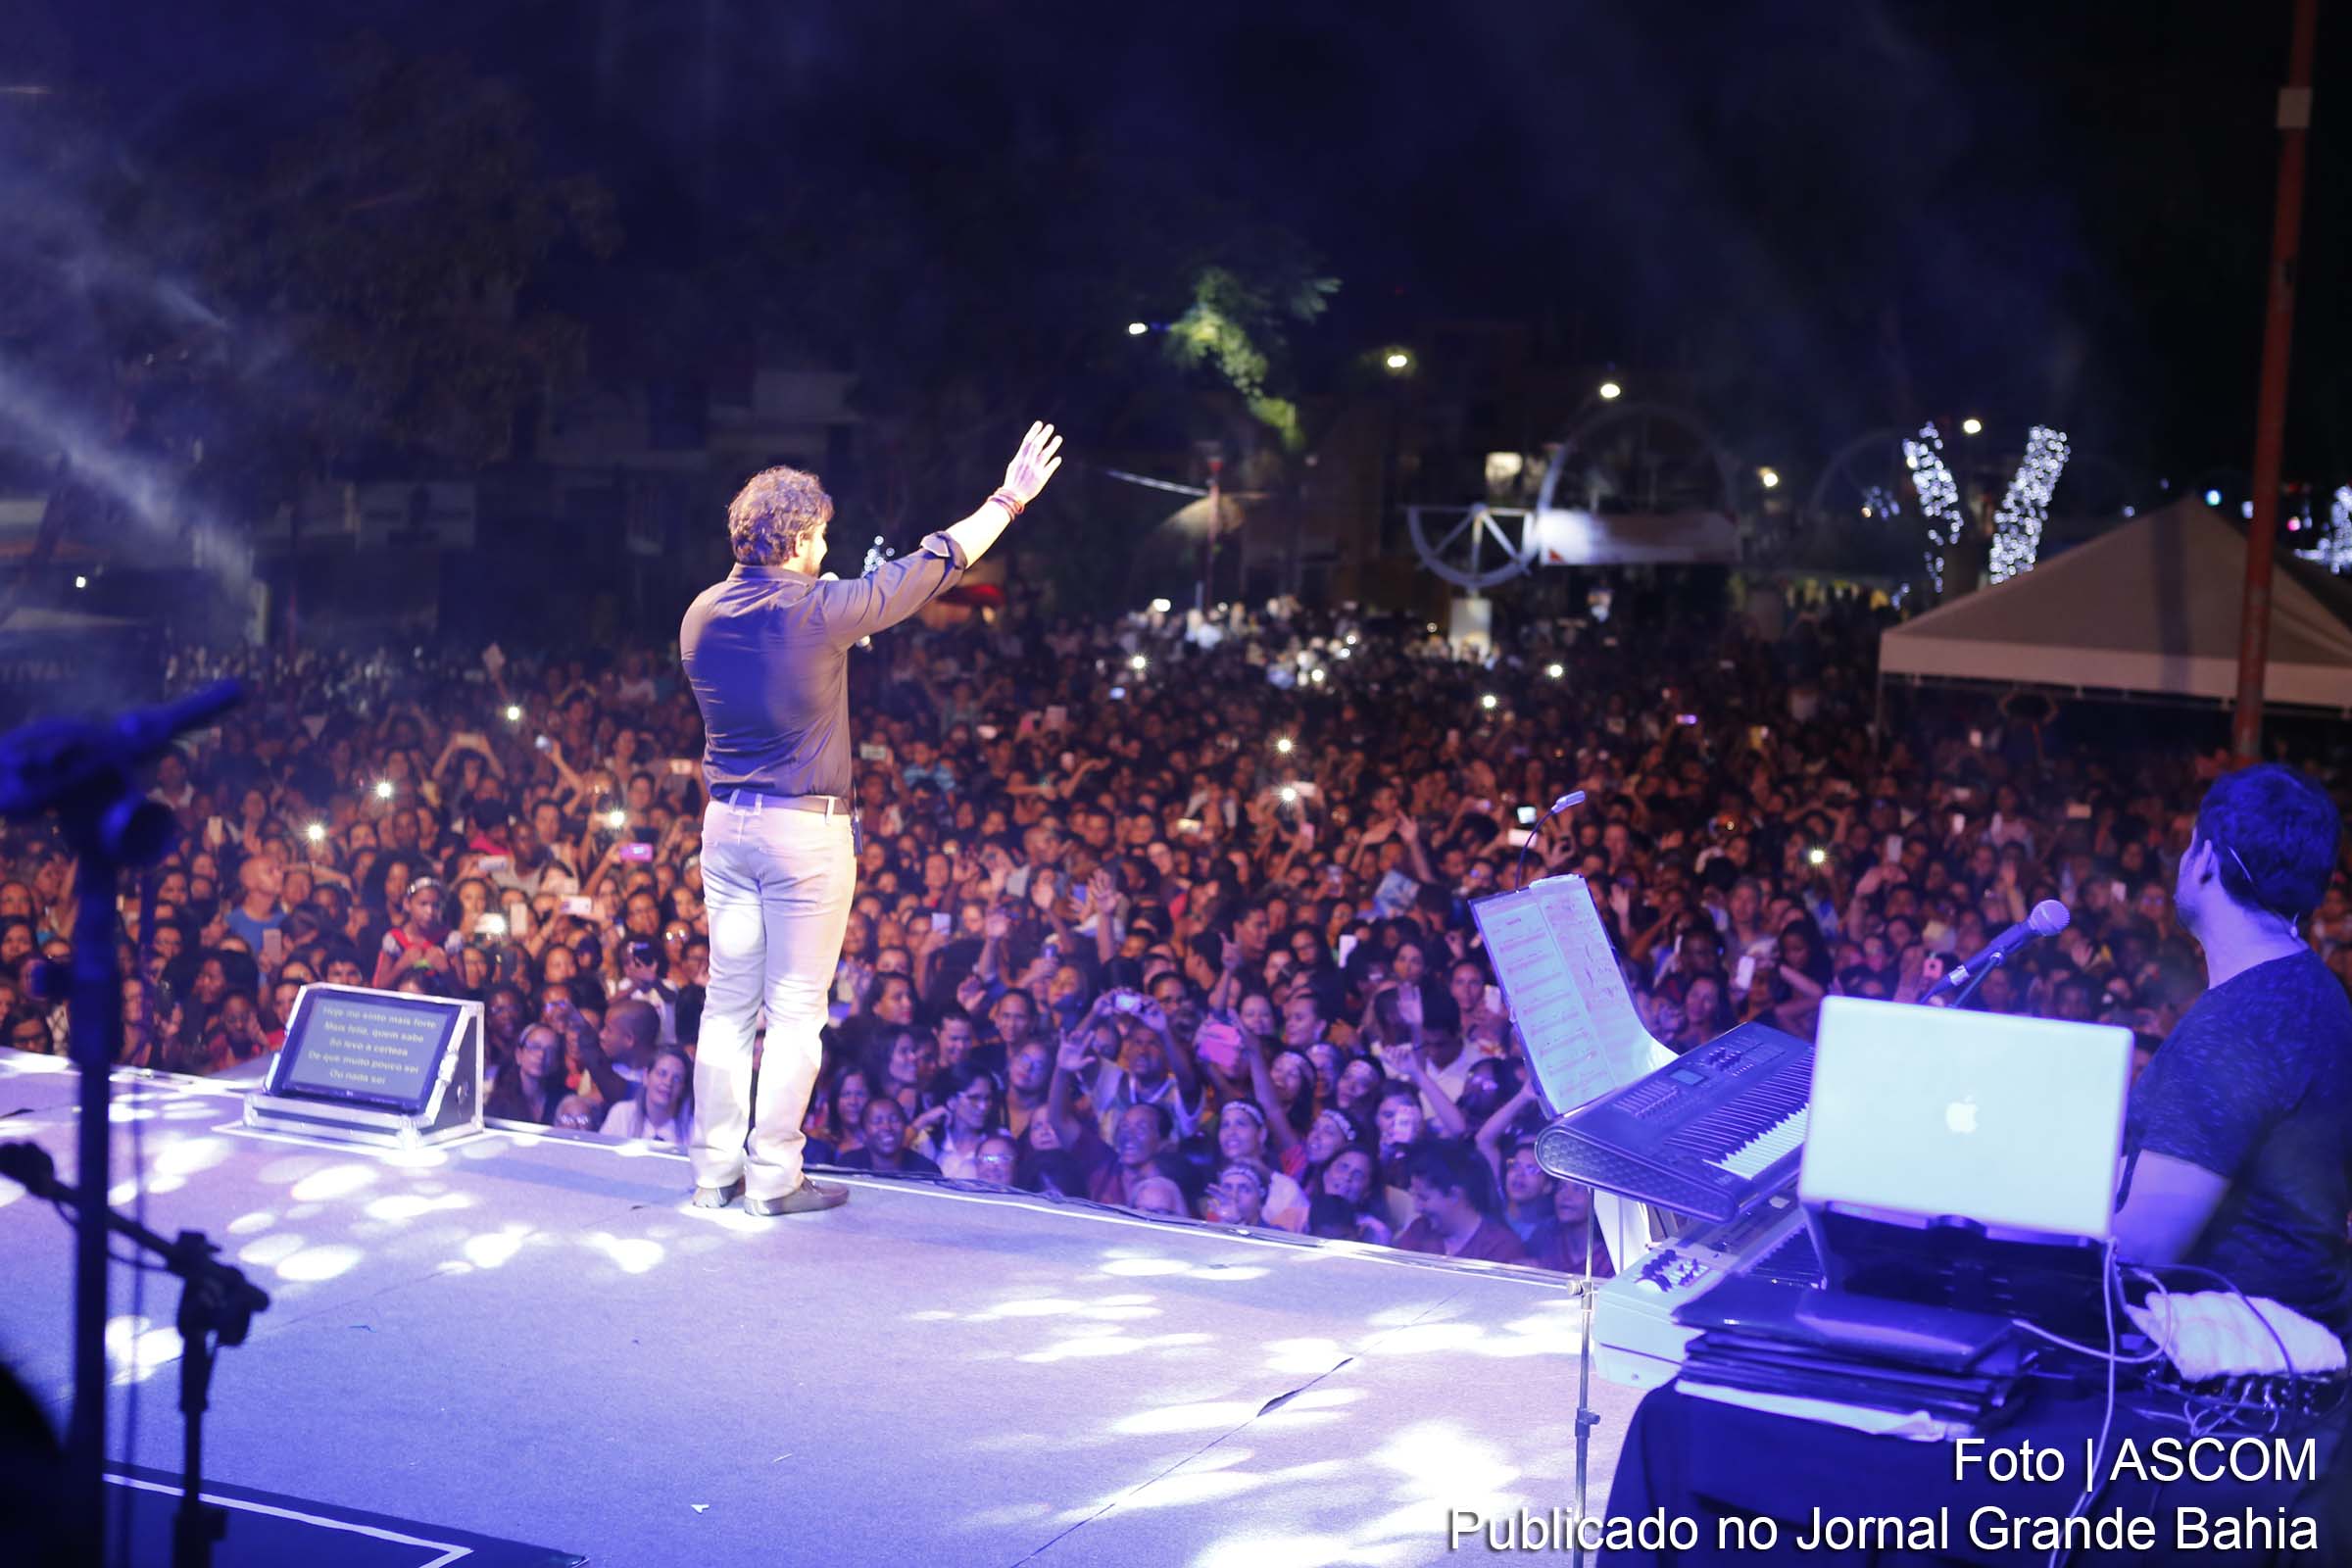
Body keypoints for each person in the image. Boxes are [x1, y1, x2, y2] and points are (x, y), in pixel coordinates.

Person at [678, 423, 1062, 1215]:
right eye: (820, 535)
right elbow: (935, 565)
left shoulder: (701, 613)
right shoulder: (818, 611)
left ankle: (714, 1173)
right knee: (793, 1013)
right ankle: (774, 1180)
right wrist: (1009, 498)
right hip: (802, 833)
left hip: (726, 827)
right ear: (798, 536)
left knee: (726, 1005)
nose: (826, 548)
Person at [2113, 764, 2352, 1336]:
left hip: (2233, 1376)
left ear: (2207, 861)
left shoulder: (2237, 1026)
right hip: (2301, 1343)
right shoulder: (2315, 989)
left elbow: (2142, 1250)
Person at [602, 1047, 695, 1145]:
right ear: (646, 1076)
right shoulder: (622, 1114)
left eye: (677, 1079)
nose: (668, 1083)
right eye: (662, 1074)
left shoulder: (692, 1129)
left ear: (683, 1088)